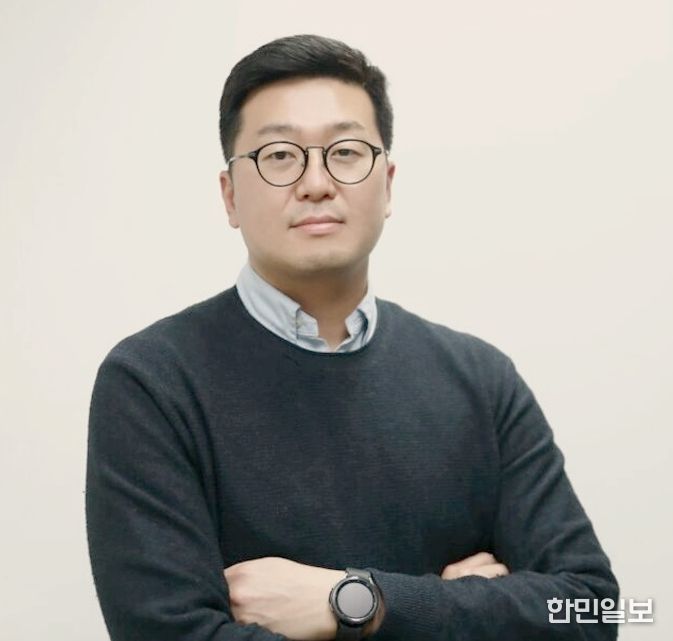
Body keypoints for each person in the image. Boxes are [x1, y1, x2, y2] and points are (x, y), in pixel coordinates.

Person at [86, 34, 619, 641]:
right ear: (230, 196)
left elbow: (598, 611)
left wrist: (359, 602)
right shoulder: (152, 383)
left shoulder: (481, 379)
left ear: (387, 184)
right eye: (279, 155)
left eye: (345, 152)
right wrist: (461, 609)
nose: (316, 182)